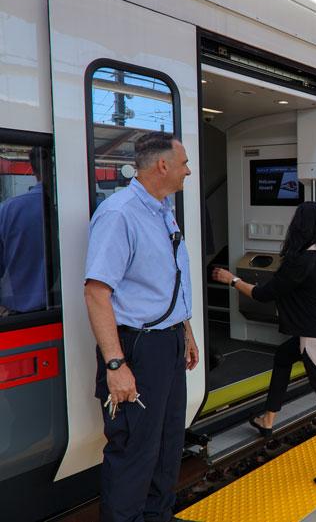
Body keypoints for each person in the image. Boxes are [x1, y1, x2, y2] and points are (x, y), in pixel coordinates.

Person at [84, 132, 199, 522]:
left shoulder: (163, 209)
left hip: (167, 345)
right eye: (183, 163)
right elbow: (97, 292)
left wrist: (185, 331)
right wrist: (115, 365)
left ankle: (158, 516)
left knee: (168, 443)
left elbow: (169, 278)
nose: (188, 170)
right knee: (134, 450)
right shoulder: (120, 213)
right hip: (137, 348)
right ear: (162, 165)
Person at [212, 202, 316, 488]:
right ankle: (268, 418)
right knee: (283, 355)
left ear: (300, 228)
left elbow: (262, 294)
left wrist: (232, 280)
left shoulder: (301, 261)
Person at [0, 147, 48, 316]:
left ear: (34, 170)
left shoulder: (9, 209)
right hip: (71, 311)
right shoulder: (81, 208)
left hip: (20, 316)